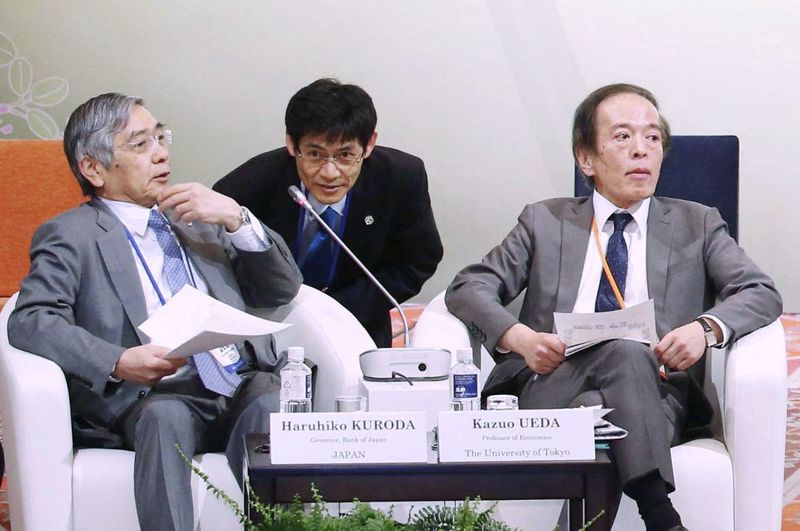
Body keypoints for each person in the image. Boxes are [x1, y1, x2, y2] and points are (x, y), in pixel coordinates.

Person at [445, 83, 782, 531]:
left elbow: (760, 291)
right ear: (586, 158)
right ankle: (662, 518)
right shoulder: (544, 220)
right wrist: (521, 339)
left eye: (653, 138)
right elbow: (468, 286)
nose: (641, 150)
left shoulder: (696, 223)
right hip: (552, 383)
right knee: (621, 354)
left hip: (657, 392)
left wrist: (704, 329)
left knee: (604, 399)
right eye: (622, 137)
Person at [7, 93, 302, 531]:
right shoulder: (71, 235)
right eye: (141, 144)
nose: (162, 153)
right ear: (94, 168)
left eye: (160, 137)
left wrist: (238, 218)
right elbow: (30, 320)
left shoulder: (198, 215)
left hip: (240, 379)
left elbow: (282, 286)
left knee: (273, 402)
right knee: (165, 418)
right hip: (158, 394)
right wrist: (118, 361)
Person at [214, 78, 443, 347]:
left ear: (369, 145)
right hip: (268, 333)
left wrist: (337, 313)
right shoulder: (246, 188)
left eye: (345, 155)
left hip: (357, 326)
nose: (330, 173)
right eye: (314, 154)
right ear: (291, 144)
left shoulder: (401, 178)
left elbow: (417, 261)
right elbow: (222, 273)